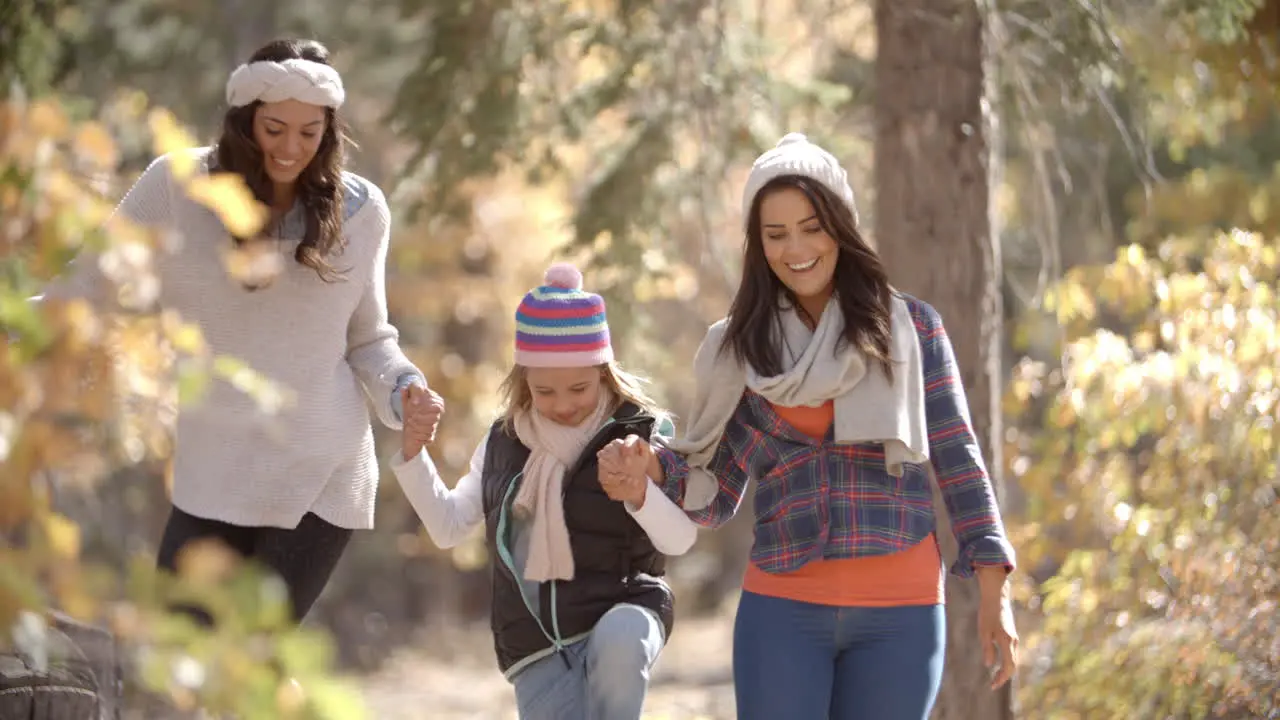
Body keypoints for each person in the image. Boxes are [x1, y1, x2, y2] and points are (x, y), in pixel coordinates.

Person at [611, 133, 1019, 719]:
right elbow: (716, 493)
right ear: (759, 245)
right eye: (776, 235)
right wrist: (653, 466)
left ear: (842, 228)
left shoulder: (913, 331)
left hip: (901, 615)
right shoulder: (742, 349)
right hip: (782, 611)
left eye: (811, 227)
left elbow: (959, 461)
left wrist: (993, 590)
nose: (796, 248)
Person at [40, 38, 427, 624]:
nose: (291, 148)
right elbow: (91, 282)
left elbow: (369, 340)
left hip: (320, 471)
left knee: (252, 656)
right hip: (213, 470)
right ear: (244, 120)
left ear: (329, 128)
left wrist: (406, 392)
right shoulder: (177, 186)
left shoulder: (360, 210)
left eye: (309, 132)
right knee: (183, 665)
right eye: (274, 129)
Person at [392, 263, 697, 720]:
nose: (564, 405)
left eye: (579, 387)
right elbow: (448, 527)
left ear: (603, 371)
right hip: (537, 648)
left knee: (622, 637)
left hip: (624, 612)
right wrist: (414, 458)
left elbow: (680, 540)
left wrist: (639, 492)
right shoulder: (502, 443)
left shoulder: (639, 436)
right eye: (544, 391)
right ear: (523, 382)